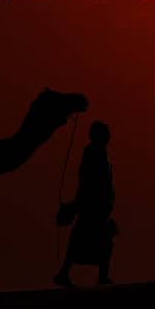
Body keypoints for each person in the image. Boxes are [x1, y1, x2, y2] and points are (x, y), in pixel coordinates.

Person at [54, 121, 117, 287]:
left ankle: (69, 273)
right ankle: (68, 273)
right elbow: (89, 180)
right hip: (92, 205)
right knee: (97, 239)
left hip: (98, 206)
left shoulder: (98, 153)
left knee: (96, 239)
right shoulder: (93, 153)